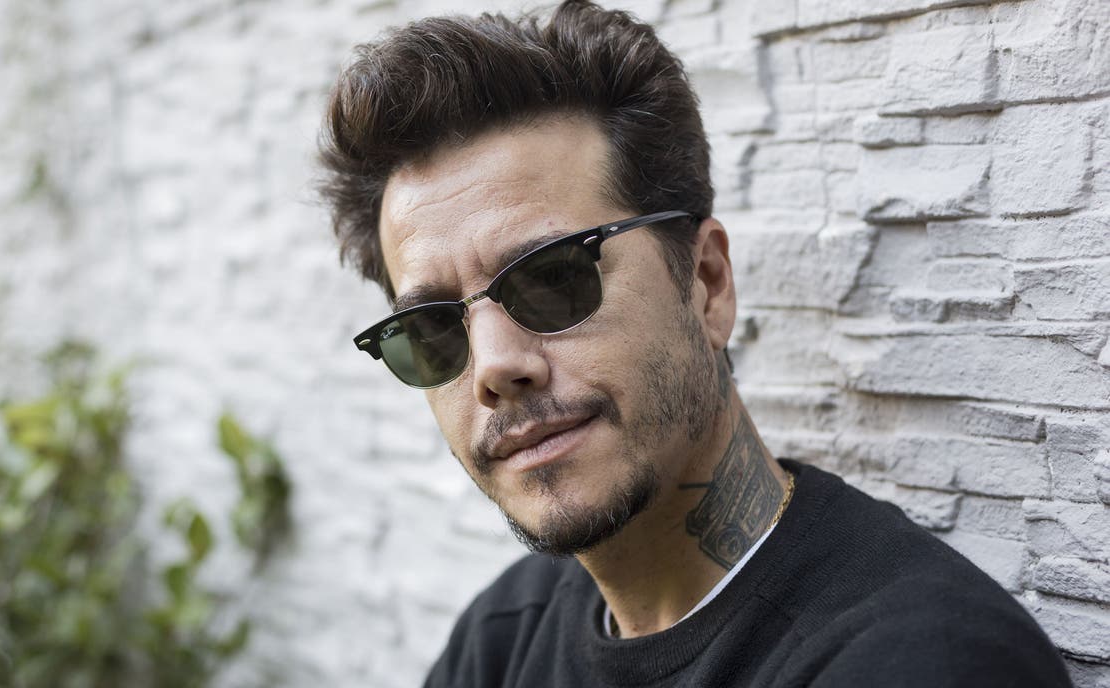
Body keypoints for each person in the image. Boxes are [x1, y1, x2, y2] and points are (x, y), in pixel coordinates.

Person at [318, 1, 1073, 686]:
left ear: (706, 283)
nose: (494, 366)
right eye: (432, 328)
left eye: (552, 278)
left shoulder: (919, 662)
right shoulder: (502, 640)